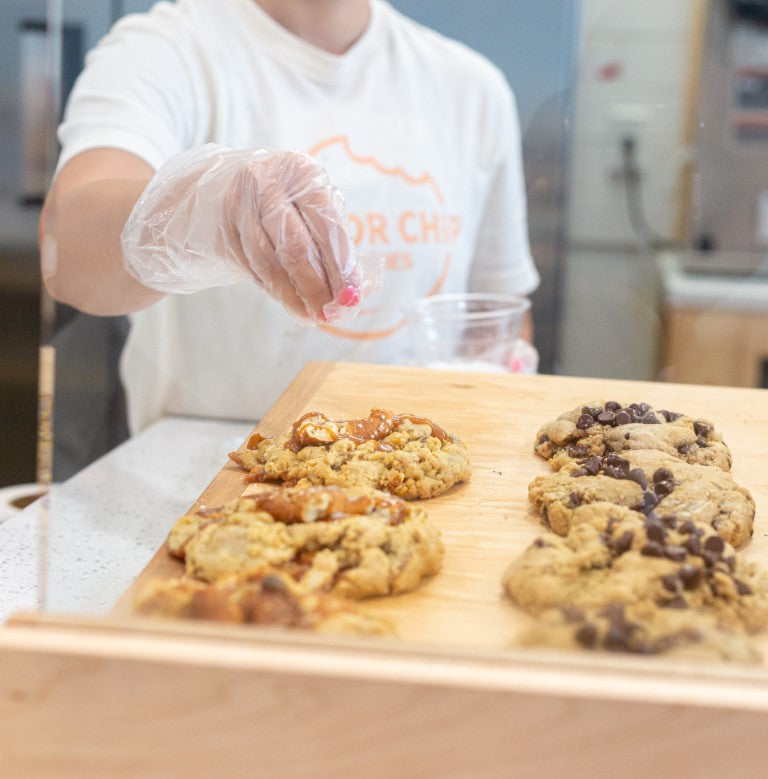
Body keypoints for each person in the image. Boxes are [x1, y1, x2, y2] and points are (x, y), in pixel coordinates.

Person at [40, 0, 540, 442]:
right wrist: (211, 204)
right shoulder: (167, 49)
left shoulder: (471, 87)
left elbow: (497, 315)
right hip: (208, 479)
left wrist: (496, 387)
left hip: (414, 475)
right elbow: (67, 254)